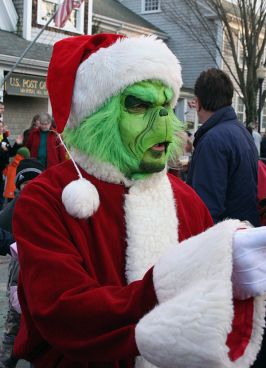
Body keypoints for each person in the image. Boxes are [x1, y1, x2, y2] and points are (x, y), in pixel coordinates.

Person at [12, 34, 266, 368]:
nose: (164, 122)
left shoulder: (187, 201)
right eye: (139, 105)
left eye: (165, 107)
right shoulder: (45, 199)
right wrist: (166, 287)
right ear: (94, 116)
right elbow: (63, 311)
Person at [186, 68, 260, 226]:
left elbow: (206, 209)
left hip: (224, 240)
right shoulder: (243, 132)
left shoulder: (212, 141)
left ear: (198, 103)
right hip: (244, 232)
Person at [0, 158, 44, 368]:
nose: (30, 190)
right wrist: (12, 243)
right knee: (15, 315)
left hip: (43, 267)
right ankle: (8, 357)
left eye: (34, 184)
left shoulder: (49, 204)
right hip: (19, 266)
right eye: (25, 186)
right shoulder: (13, 209)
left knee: (40, 315)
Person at [0, 122, 23, 210]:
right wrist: (2, 151)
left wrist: (17, 144)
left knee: (2, 195)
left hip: (3, 170)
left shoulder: (4, 139)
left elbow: (10, 153)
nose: (1, 128)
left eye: (1, 126)